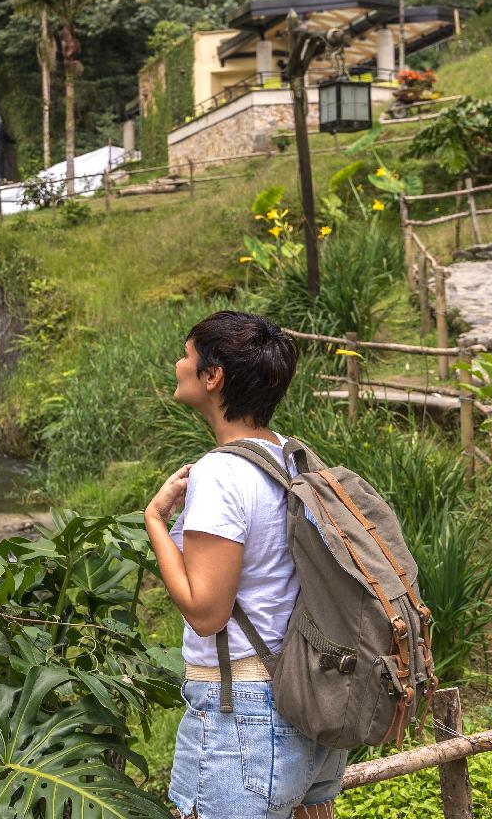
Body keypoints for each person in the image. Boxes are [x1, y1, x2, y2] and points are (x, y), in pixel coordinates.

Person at [143, 310, 347, 819]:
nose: (177, 365)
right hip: (309, 697)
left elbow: (205, 612)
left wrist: (153, 520)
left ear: (213, 377)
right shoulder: (293, 458)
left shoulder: (220, 473)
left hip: (246, 717)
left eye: (186, 356)